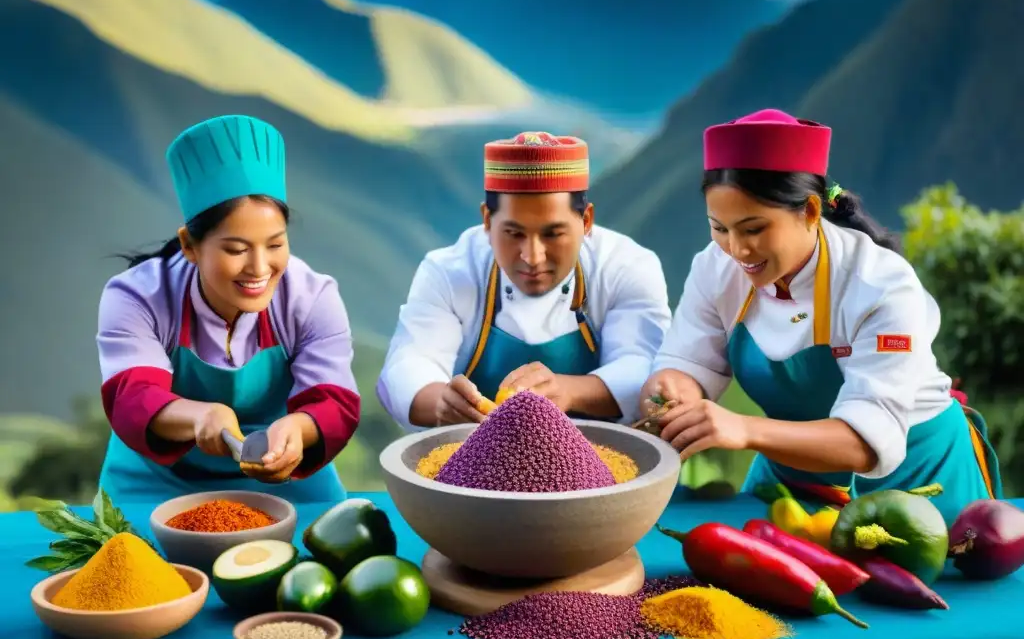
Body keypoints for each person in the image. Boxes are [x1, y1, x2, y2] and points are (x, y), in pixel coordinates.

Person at [640, 109, 1001, 524]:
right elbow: (688, 361)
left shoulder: (881, 284)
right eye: (719, 228)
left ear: (810, 211)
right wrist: (672, 388)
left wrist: (743, 429)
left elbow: (867, 442)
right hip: (792, 484)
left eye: (753, 229)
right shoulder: (716, 268)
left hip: (919, 486)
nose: (736, 250)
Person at [96, 115, 360, 504]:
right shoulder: (136, 296)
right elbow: (132, 396)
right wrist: (200, 417)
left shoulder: (312, 297)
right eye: (236, 249)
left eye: (275, 245)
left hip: (286, 475)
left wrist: (297, 430)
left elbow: (334, 400)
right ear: (189, 244)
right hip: (154, 479)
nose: (259, 268)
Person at [377, 131, 672, 429]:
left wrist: (566, 391)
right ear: (487, 221)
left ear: (586, 221)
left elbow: (646, 368)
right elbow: (408, 366)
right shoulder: (449, 271)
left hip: (608, 463)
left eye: (553, 234)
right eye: (514, 234)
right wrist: (442, 402)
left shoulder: (627, 265)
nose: (532, 256)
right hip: (477, 464)